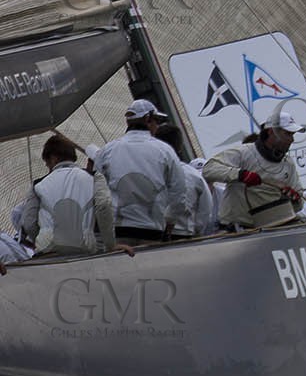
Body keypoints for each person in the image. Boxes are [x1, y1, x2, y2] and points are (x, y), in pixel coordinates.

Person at [19, 134, 130, 258]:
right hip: (84, 249)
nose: (47, 167)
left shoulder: (38, 185)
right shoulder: (94, 177)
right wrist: (110, 244)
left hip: (49, 252)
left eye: (47, 162)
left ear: (54, 158)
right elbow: (104, 206)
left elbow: (28, 223)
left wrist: (41, 240)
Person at [96, 99, 188, 243]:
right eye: (156, 121)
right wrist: (170, 221)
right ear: (148, 119)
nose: (157, 126)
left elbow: (98, 193)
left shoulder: (106, 151)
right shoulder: (165, 151)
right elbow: (179, 192)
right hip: (152, 231)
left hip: (117, 231)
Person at [202, 105, 306, 230]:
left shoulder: (288, 163)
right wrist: (241, 175)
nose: (291, 139)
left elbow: (298, 205)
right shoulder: (244, 153)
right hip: (236, 230)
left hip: (272, 228)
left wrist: (294, 199)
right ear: (271, 132)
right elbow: (208, 169)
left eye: (292, 135)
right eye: (288, 134)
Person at [153, 124, 216, 238]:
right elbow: (205, 212)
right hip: (184, 235)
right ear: (180, 146)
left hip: (151, 233)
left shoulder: (147, 171)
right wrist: (196, 231)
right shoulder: (194, 176)